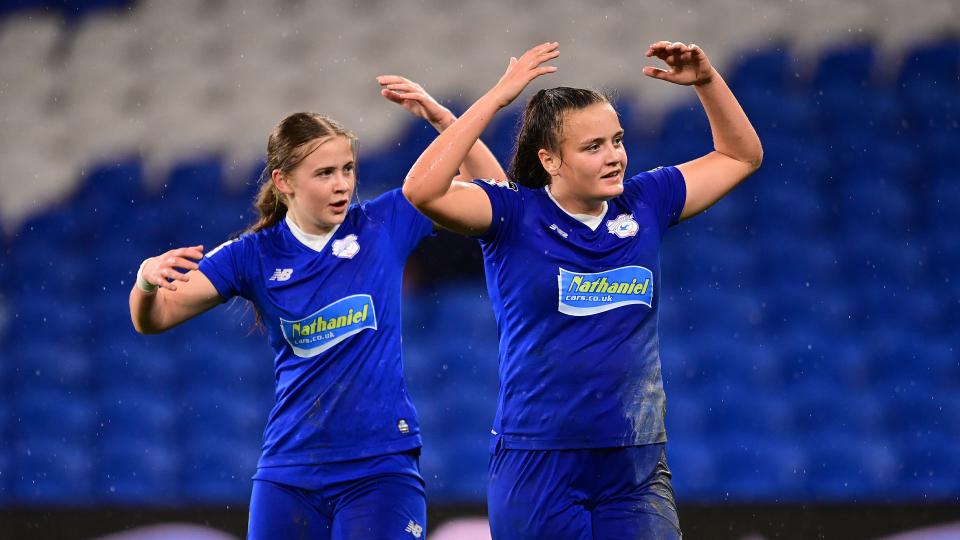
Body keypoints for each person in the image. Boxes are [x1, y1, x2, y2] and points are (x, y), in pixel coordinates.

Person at [401, 41, 762, 538]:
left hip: (633, 463)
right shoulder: (514, 216)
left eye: (616, 140)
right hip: (539, 460)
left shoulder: (646, 202)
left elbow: (741, 155)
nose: (614, 156)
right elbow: (422, 190)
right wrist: (496, 98)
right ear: (549, 160)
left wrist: (706, 81)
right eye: (593, 147)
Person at [129, 75, 504, 540]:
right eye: (324, 173)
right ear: (283, 181)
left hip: (379, 470)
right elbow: (155, 318)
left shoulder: (383, 223)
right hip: (290, 472)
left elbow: (494, 190)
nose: (341, 184)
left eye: (347, 169)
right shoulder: (252, 255)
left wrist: (444, 121)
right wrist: (145, 281)